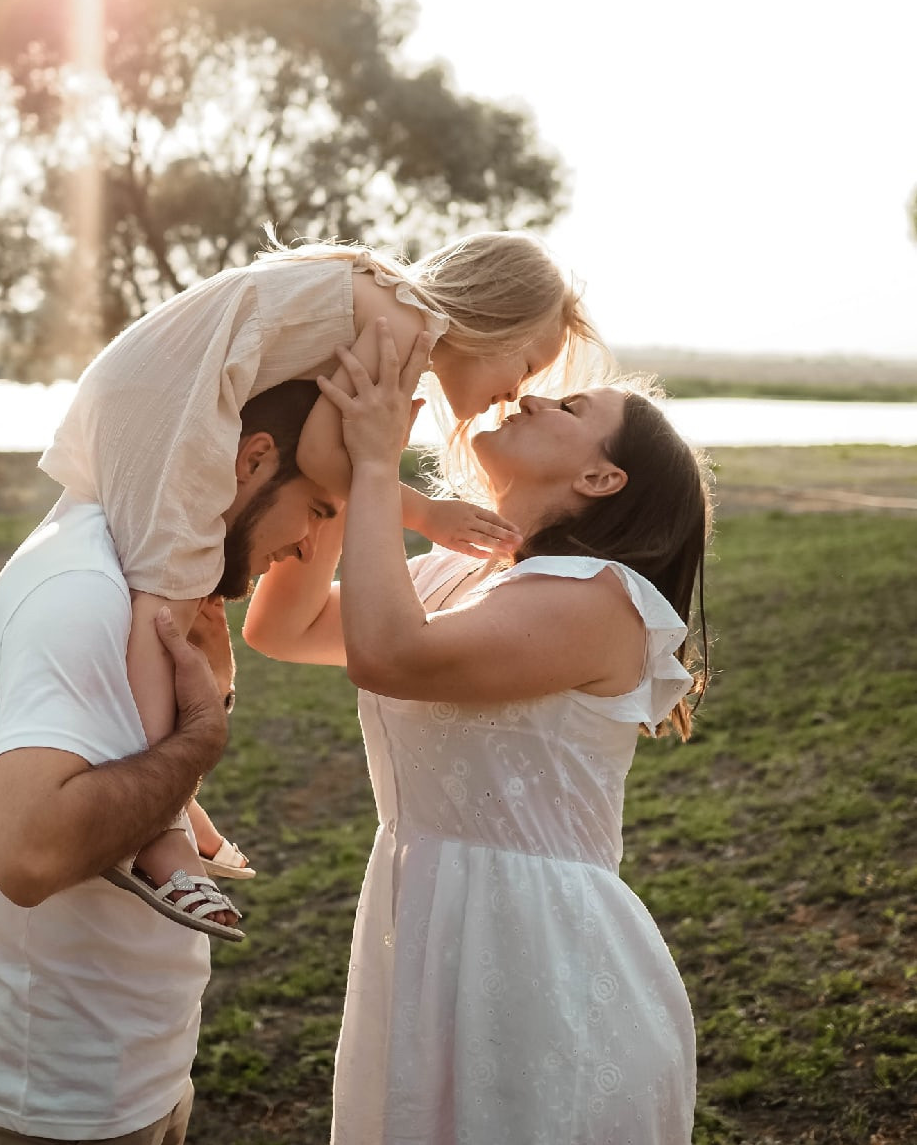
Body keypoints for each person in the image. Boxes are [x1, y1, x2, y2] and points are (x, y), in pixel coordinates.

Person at [243, 325, 712, 1145]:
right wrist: (348, 467)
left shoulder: (601, 599)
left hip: (535, 949)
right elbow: (286, 626)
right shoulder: (463, 577)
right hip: (424, 920)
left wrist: (380, 466)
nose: (531, 395)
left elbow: (392, 656)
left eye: (570, 407)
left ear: (600, 478)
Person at [38, 233, 598, 923]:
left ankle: (170, 802)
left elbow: (328, 452)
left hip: (151, 385)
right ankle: (154, 835)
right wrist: (424, 512)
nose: (517, 392)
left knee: (182, 607)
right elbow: (327, 455)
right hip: (171, 401)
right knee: (166, 609)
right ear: (495, 315)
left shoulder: (386, 310)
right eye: (527, 363)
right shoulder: (403, 325)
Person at [0, 379, 338, 1145]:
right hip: (63, 1099)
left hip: (135, 1071)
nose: (306, 548)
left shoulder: (139, 575)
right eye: (319, 510)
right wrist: (199, 740)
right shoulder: (84, 589)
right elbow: (29, 854)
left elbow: (115, 775)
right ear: (253, 461)